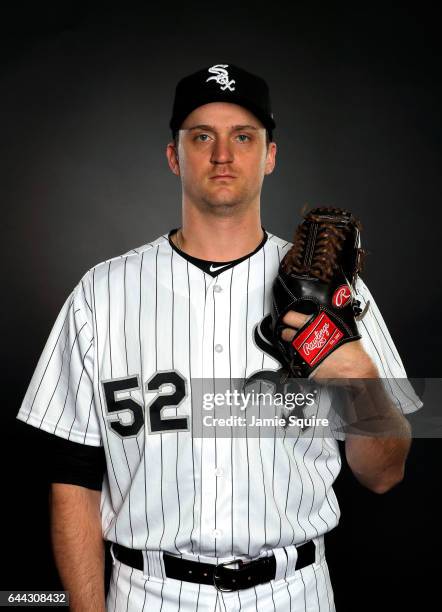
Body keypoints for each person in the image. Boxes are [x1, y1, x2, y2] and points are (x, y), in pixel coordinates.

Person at [16, 63, 422, 611]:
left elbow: (383, 474)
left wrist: (361, 378)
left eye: (244, 137)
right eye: (202, 136)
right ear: (173, 155)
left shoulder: (334, 294)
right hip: (148, 594)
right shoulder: (101, 294)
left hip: (292, 593)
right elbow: (72, 481)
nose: (222, 154)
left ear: (270, 156)